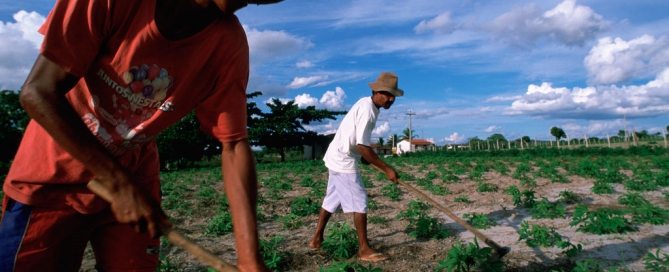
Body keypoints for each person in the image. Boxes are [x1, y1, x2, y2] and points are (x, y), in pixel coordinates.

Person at [0, 0, 280, 271]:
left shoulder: (227, 43)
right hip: (52, 177)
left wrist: (249, 260)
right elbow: (37, 92)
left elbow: (232, 144)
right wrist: (118, 184)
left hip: (136, 178)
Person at [308, 71, 403, 262]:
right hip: (343, 159)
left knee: (331, 200)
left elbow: (359, 143)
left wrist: (366, 157)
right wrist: (387, 169)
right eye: (387, 94)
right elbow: (361, 145)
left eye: (392, 96)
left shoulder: (367, 104)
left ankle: (316, 239)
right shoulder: (368, 110)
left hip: (338, 155)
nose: (390, 99)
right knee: (360, 201)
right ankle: (364, 249)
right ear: (376, 91)